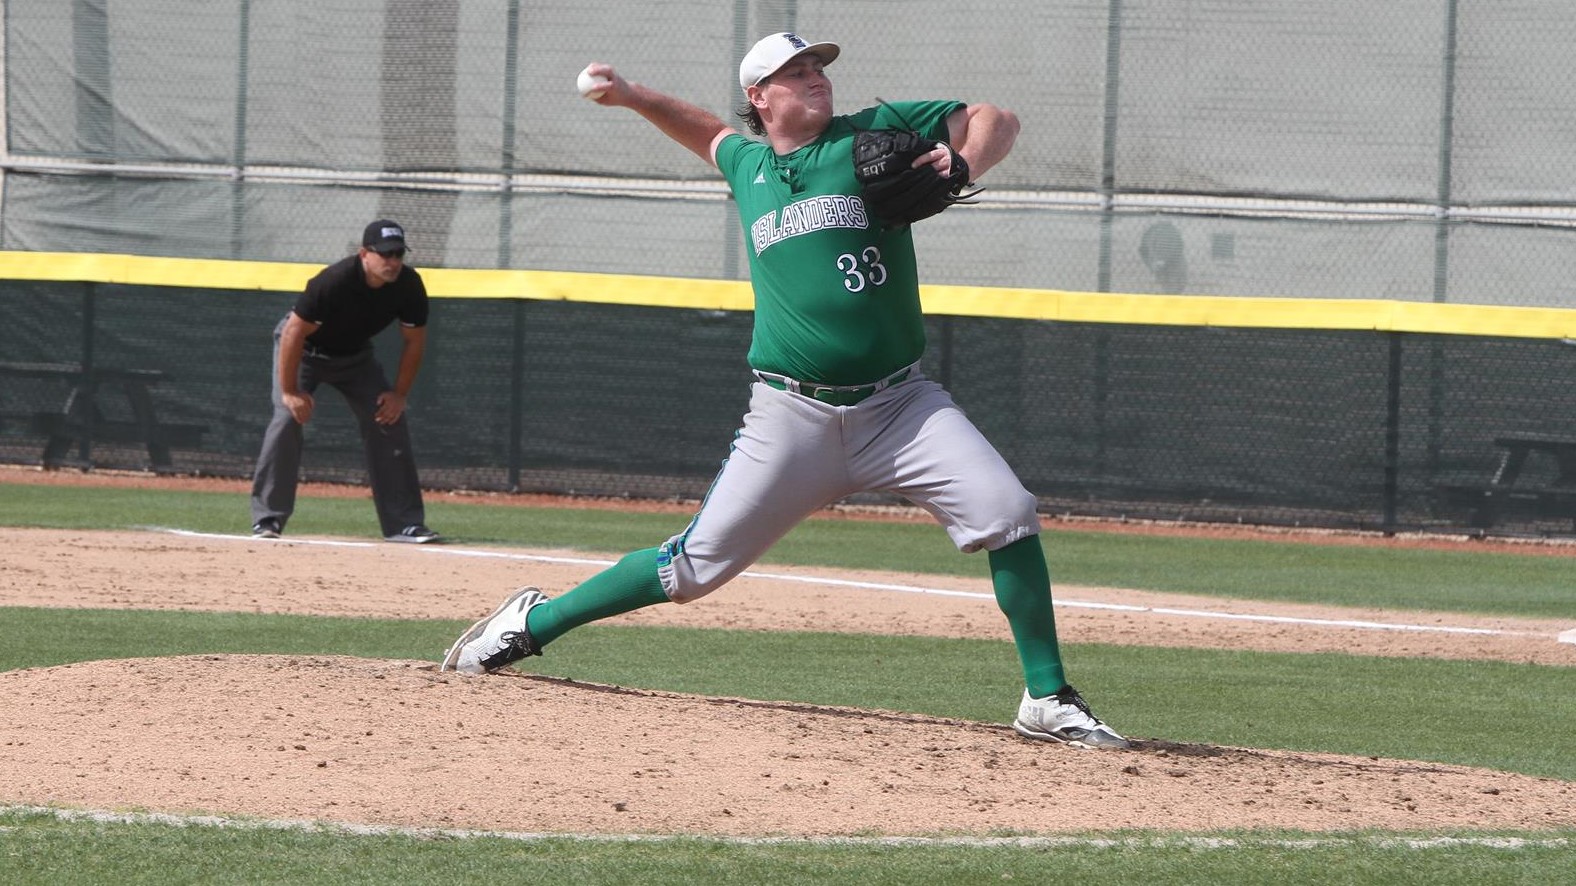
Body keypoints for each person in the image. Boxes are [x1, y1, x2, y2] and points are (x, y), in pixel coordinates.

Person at [442, 33, 1128, 749]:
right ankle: (529, 624)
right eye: (792, 73)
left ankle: (1046, 697)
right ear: (759, 98)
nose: (813, 79)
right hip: (790, 414)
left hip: (900, 407)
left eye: (817, 68)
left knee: (1007, 510)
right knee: (691, 571)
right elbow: (704, 130)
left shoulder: (871, 136)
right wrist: (632, 95)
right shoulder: (750, 164)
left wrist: (961, 161)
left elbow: (997, 118)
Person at [249, 219, 441, 545]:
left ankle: (404, 524)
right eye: (385, 254)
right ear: (364, 253)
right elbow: (294, 332)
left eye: (398, 254)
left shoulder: (408, 285)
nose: (393, 261)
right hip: (305, 352)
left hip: (355, 358)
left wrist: (399, 394)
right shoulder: (334, 280)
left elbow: (415, 341)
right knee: (286, 419)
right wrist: (290, 391)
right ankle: (267, 520)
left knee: (389, 418)